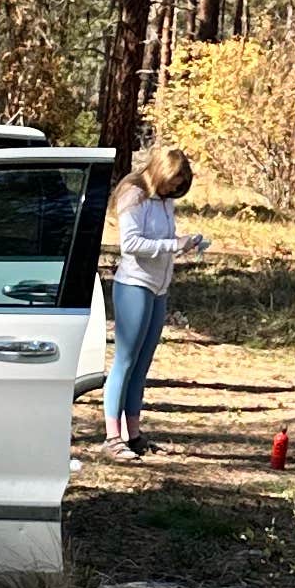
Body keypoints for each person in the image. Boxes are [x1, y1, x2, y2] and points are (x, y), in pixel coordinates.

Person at [102, 144, 198, 459]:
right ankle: (112, 437)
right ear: (159, 172)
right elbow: (130, 244)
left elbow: (163, 239)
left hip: (159, 288)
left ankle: (134, 434)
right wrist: (173, 245)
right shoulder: (134, 193)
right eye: (172, 182)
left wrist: (186, 244)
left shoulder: (164, 200)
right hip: (134, 285)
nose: (175, 188)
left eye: (179, 185)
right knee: (125, 362)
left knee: (142, 366)